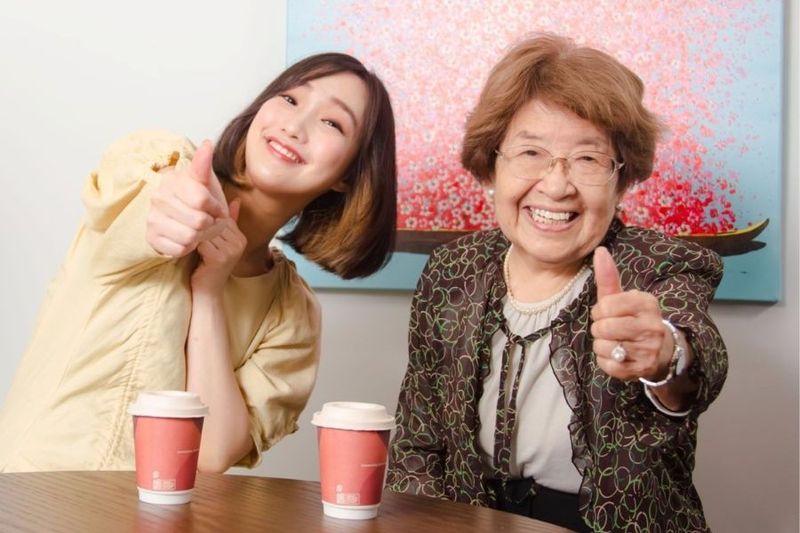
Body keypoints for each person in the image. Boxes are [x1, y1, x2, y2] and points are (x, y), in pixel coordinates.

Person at [386, 34, 727, 532]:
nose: (556, 184)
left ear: (621, 179)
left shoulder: (660, 265)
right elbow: (418, 442)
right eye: (530, 152)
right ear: (492, 166)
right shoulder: (452, 270)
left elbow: (698, 357)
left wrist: (666, 355)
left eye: (588, 159)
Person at [0, 52, 397, 473]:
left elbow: (211, 455)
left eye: (332, 123)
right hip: (31, 492)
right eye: (290, 99)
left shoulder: (292, 316)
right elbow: (144, 214)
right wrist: (172, 209)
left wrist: (209, 293)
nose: (294, 126)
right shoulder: (162, 167)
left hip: (152, 510)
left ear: (349, 175)